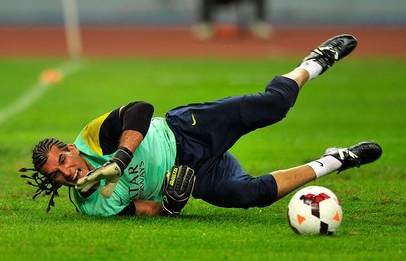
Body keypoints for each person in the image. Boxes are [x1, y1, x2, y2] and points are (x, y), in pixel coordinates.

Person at [20, 34, 382, 216]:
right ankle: (336, 160)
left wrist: (120, 159)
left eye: (62, 162)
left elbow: (141, 108)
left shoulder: (91, 139)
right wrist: (172, 205)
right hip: (192, 174)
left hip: (186, 129)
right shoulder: (92, 208)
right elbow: (147, 210)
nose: (66, 173)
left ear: (69, 150)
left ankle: (314, 62)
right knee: (248, 196)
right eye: (56, 175)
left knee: (274, 105)